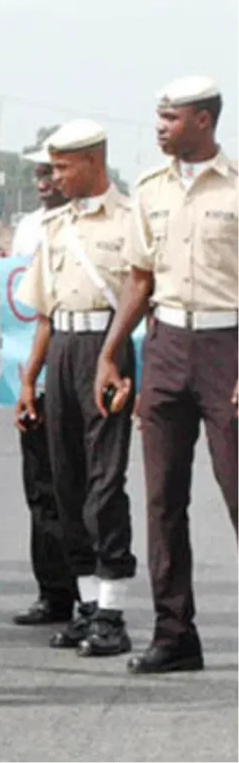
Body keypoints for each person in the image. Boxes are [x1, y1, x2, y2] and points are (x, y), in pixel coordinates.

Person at [94, 75, 237, 675]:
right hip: (167, 345)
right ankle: (175, 634)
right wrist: (111, 350)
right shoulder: (149, 190)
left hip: (229, 344)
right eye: (158, 117)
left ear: (203, 121)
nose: (159, 127)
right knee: (161, 500)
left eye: (170, 118)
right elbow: (139, 278)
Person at [14, 119, 138, 658]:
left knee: (103, 485)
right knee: (65, 483)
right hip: (62, 351)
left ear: (93, 160)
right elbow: (44, 313)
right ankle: (87, 605)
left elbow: (145, 299)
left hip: (107, 352)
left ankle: (113, 610)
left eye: (63, 166)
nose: (55, 177)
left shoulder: (132, 219)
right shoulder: (55, 225)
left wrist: (134, 371)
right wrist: (28, 378)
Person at [7, 141, 79, 627]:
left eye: (51, 171)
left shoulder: (100, 223)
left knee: (81, 486)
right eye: (37, 172)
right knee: (41, 487)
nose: (42, 182)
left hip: (82, 367)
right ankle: (53, 592)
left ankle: (91, 594)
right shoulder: (29, 228)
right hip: (34, 371)